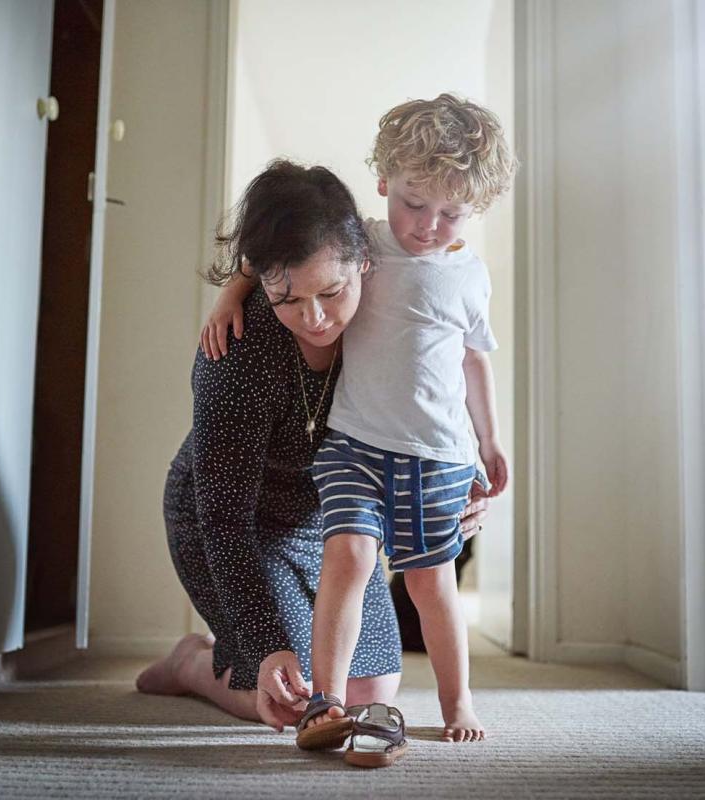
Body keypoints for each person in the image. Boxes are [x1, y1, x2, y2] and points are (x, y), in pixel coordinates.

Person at [201, 94, 517, 745]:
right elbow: (278, 248)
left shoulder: (458, 273)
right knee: (330, 589)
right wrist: (235, 287)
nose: (428, 226)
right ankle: (308, 696)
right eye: (413, 203)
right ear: (384, 184)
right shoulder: (357, 248)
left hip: (430, 458)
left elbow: (473, 361)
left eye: (450, 212)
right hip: (326, 470)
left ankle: (458, 704)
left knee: (423, 601)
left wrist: (487, 444)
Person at [136, 160, 491, 733]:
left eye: (332, 291)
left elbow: (443, 392)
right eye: (289, 299)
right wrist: (264, 642)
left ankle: (233, 654)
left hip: (331, 520)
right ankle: (193, 664)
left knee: (371, 686)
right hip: (232, 522)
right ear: (265, 281)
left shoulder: (388, 315)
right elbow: (222, 517)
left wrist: (465, 480)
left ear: (366, 266)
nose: (316, 317)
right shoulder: (237, 353)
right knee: (298, 688)